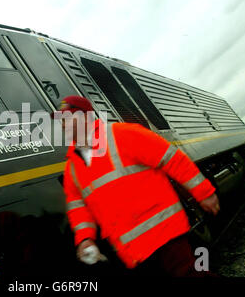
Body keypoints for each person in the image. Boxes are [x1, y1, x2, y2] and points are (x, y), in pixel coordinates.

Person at [52, 95, 220, 277]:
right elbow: (78, 207)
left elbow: (171, 158)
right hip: (132, 252)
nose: (63, 124)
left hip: (165, 234)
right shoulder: (72, 168)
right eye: (61, 120)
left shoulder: (122, 134)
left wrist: (204, 193)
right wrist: (85, 239)